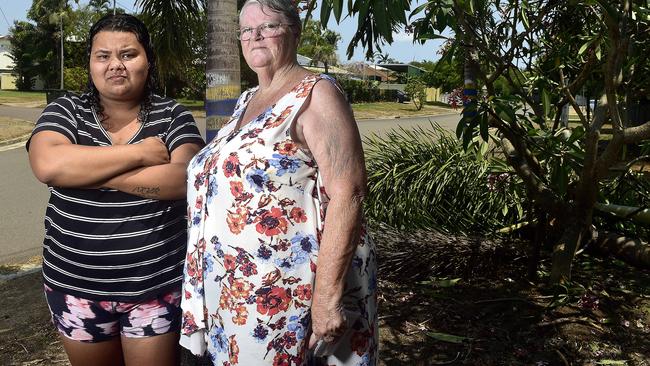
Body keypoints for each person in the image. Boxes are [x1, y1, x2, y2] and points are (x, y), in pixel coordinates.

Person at [180, 0, 378, 365]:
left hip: (288, 296)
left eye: (268, 26)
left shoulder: (316, 93)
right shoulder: (247, 100)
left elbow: (348, 193)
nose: (255, 36)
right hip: (237, 295)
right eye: (246, 30)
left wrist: (327, 298)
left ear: (295, 32)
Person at [27, 13, 204, 366]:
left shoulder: (173, 116)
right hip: (75, 286)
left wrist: (82, 170)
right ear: (91, 63)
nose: (115, 65)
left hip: (154, 286)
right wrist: (140, 154)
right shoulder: (66, 111)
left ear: (148, 61)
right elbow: (47, 165)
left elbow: (185, 180)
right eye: (103, 55)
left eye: (128, 54)